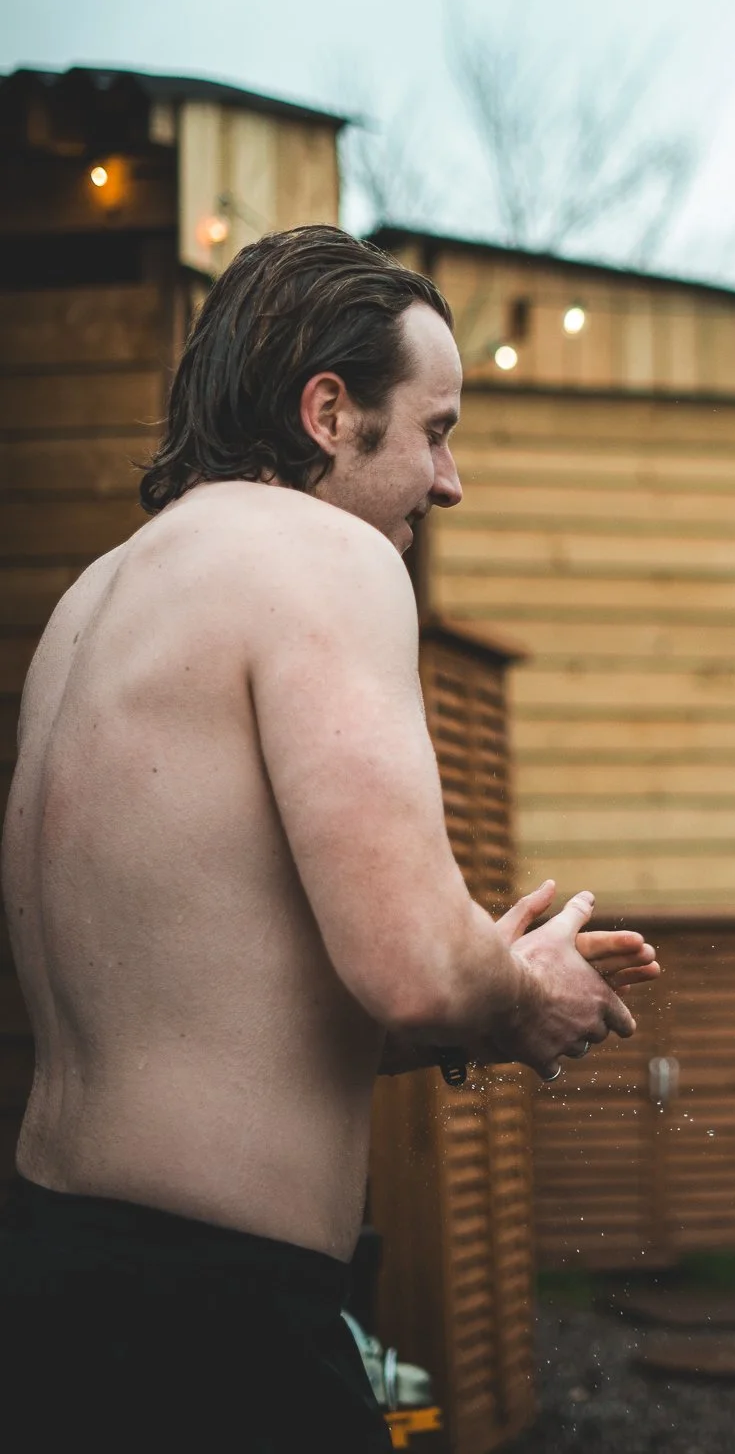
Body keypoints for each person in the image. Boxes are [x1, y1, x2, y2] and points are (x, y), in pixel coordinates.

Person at [0, 225, 659, 1452]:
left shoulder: (89, 603)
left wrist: (477, 1000)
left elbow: (210, 1018)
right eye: (435, 428)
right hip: (216, 1324)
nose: (449, 480)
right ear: (327, 411)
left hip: (47, 1276)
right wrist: (515, 992)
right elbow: (410, 966)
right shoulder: (324, 555)